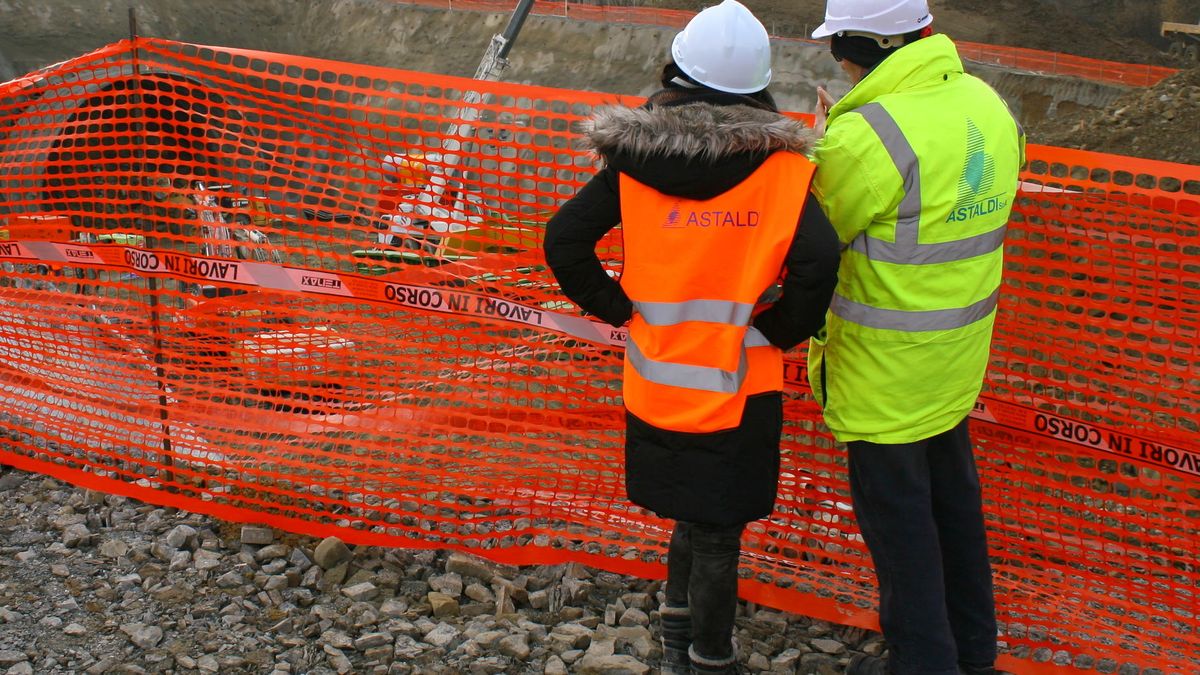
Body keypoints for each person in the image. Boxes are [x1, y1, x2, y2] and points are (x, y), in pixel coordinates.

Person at [543, 2, 840, 672]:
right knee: (717, 531)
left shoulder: (632, 162)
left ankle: (678, 635)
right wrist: (775, 332)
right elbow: (819, 263)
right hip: (740, 389)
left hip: (655, 383)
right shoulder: (785, 173)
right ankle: (709, 657)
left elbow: (564, 241)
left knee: (692, 518)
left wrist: (621, 310)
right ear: (760, 88)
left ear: (676, 70)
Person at [804, 1, 1026, 674]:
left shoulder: (866, 134)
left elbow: (813, 234)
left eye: (836, 43)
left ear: (861, 43)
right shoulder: (988, 104)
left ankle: (924, 662)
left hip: (884, 377)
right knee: (955, 514)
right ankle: (972, 653)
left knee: (901, 535)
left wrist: (821, 143)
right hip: (956, 362)